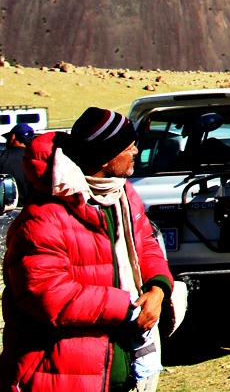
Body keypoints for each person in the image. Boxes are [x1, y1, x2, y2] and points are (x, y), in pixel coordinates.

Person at [1, 107, 176, 392]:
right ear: (106, 157)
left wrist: (158, 289)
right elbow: (46, 293)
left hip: (123, 367)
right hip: (60, 373)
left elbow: (145, 243)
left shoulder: (121, 194)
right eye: (129, 147)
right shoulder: (43, 217)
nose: (135, 151)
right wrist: (128, 306)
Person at [0, 124, 36, 205]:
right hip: (31, 209)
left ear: (13, 136)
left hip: (5, 211)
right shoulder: (36, 158)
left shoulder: (2, 157)